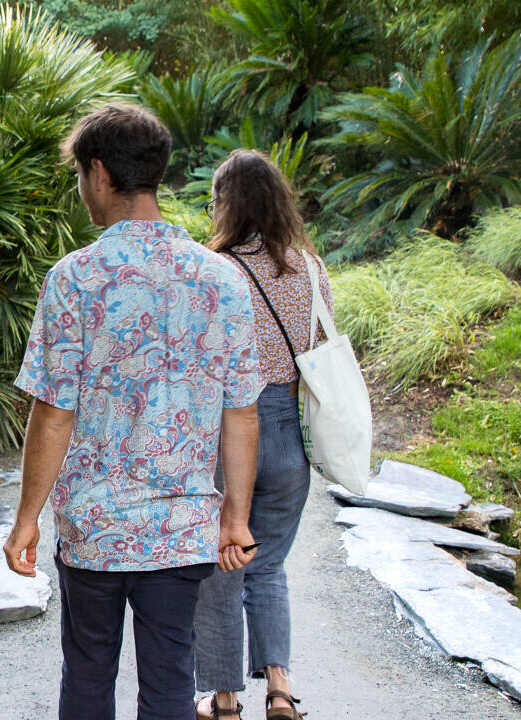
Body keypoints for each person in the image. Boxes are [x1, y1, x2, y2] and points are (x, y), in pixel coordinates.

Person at [2, 103, 266, 720]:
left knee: (88, 675)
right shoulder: (221, 278)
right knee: (171, 683)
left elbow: (53, 413)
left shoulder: (75, 278)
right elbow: (242, 413)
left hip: (95, 529)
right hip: (180, 532)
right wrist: (236, 517)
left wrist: (27, 520)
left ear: (98, 173)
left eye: (79, 177)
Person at [190, 149, 334, 720]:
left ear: (226, 203)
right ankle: (279, 687)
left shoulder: (212, 268)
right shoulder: (311, 267)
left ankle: (224, 699)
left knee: (222, 570)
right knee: (268, 567)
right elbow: (320, 349)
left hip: (230, 435)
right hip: (289, 435)